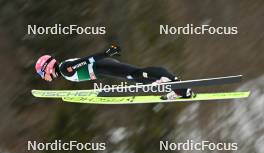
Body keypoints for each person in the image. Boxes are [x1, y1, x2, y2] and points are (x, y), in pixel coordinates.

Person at [35, 44, 195, 100]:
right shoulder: (64, 69)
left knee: (136, 73)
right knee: (137, 77)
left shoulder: (64, 69)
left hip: (102, 66)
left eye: (43, 75)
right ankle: (177, 88)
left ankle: (177, 86)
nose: (45, 78)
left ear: (47, 68)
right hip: (103, 70)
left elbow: (86, 60)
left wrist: (106, 53)